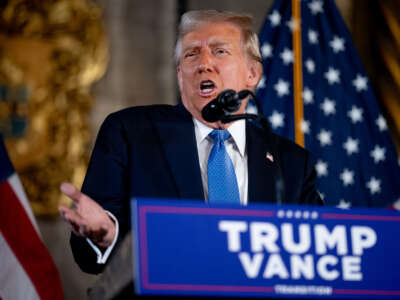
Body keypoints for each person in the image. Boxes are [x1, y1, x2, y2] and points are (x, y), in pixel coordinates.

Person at [59, 10, 322, 275]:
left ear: (252, 73)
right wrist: (107, 234)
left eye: (220, 51)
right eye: (191, 54)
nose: (204, 63)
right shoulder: (131, 133)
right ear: (180, 75)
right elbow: (88, 253)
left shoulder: (292, 163)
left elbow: (319, 249)